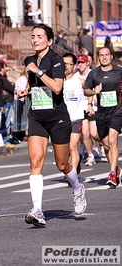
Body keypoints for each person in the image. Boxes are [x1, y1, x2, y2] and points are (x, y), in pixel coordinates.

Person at [18, 24, 86, 226]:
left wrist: (38, 72)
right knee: (35, 162)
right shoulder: (29, 60)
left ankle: (77, 187)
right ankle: (37, 209)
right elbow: (33, 84)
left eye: (39, 36)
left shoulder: (56, 59)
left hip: (58, 118)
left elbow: (57, 87)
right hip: (37, 117)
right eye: (33, 36)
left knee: (62, 164)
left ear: (49, 41)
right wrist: (27, 91)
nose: (35, 39)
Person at [83, 47, 122, 187]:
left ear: (111, 56)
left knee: (112, 140)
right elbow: (86, 90)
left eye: (107, 55)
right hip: (101, 114)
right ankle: (117, 169)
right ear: (98, 58)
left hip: (117, 112)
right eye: (101, 55)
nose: (104, 57)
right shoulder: (94, 73)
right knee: (106, 145)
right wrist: (94, 91)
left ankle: (112, 172)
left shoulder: (119, 71)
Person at [62, 53, 85, 184]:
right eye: (63, 63)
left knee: (72, 146)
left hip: (76, 117)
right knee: (65, 149)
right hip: (62, 119)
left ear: (74, 65)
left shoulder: (80, 81)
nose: (65, 66)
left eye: (68, 64)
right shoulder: (59, 81)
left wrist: (89, 105)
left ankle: (72, 175)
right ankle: (74, 165)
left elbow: (89, 92)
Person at [74, 55, 96, 167]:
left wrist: (91, 102)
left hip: (94, 107)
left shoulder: (93, 73)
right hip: (81, 108)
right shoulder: (75, 76)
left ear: (88, 63)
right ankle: (90, 155)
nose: (80, 64)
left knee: (95, 134)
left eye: (82, 62)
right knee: (85, 133)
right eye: (79, 62)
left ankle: (99, 144)